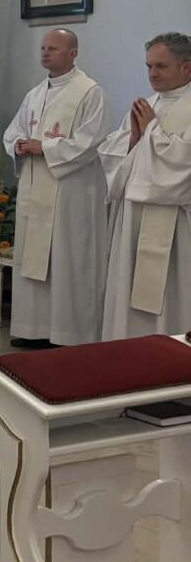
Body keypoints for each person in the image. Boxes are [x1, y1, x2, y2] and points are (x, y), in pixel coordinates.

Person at [3, 29, 110, 348]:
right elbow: (13, 131)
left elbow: (91, 142)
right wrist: (18, 144)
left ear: (73, 53)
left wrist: (45, 147)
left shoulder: (90, 92)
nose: (45, 53)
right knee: (33, 260)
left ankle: (68, 333)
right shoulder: (35, 94)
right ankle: (33, 329)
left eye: (53, 48)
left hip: (70, 193)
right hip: (35, 188)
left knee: (66, 260)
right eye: (43, 48)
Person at [100, 31, 191, 340]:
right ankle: (127, 349)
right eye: (149, 66)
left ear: (187, 67)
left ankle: (172, 355)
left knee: (170, 294)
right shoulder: (147, 104)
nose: (152, 73)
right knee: (130, 287)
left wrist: (150, 130)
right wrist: (134, 140)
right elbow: (113, 154)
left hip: (176, 225)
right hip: (134, 220)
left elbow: (182, 163)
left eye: (161, 66)